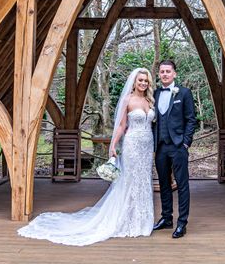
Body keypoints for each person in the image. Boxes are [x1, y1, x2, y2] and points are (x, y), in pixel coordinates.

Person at [17, 68, 156, 246]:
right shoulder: (128, 100)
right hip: (132, 146)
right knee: (129, 181)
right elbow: (121, 126)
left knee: (143, 181)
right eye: (140, 80)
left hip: (147, 146)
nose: (143, 83)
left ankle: (142, 220)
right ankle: (126, 219)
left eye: (146, 81)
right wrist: (113, 145)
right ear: (134, 82)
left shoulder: (149, 100)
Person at [152, 59, 197, 238]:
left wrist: (186, 142)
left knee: (182, 184)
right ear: (159, 74)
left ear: (174, 74)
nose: (164, 74)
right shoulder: (154, 93)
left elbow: (191, 119)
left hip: (178, 146)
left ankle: (182, 222)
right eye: (162, 71)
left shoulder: (184, 93)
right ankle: (166, 218)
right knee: (164, 183)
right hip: (160, 147)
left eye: (168, 71)